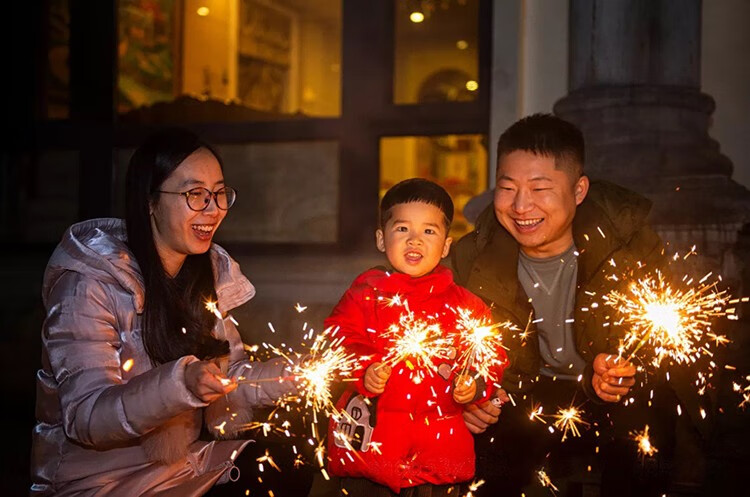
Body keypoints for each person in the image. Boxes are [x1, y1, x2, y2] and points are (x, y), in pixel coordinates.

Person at [30, 128, 299, 496]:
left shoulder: (207, 275)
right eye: (195, 195)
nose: (214, 208)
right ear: (149, 201)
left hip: (181, 467)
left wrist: (288, 378)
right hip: (102, 483)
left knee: (282, 464)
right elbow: (87, 417)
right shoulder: (89, 284)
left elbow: (229, 377)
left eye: (219, 193)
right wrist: (180, 383)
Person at [452, 114, 690, 496]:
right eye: (507, 187)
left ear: (579, 191)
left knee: (647, 411)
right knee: (480, 446)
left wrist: (621, 366)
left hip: (610, 396)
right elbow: (448, 343)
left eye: (540, 188)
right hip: (523, 392)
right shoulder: (473, 256)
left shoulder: (628, 245)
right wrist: (470, 394)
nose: (520, 205)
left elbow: (666, 331)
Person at [325, 179, 507, 497]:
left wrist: (475, 384)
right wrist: (366, 368)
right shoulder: (365, 295)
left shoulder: (464, 305)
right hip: (371, 456)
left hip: (440, 457)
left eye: (428, 231)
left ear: (447, 245)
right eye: (402, 229)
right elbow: (339, 337)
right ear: (382, 238)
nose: (415, 241)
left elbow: (490, 354)